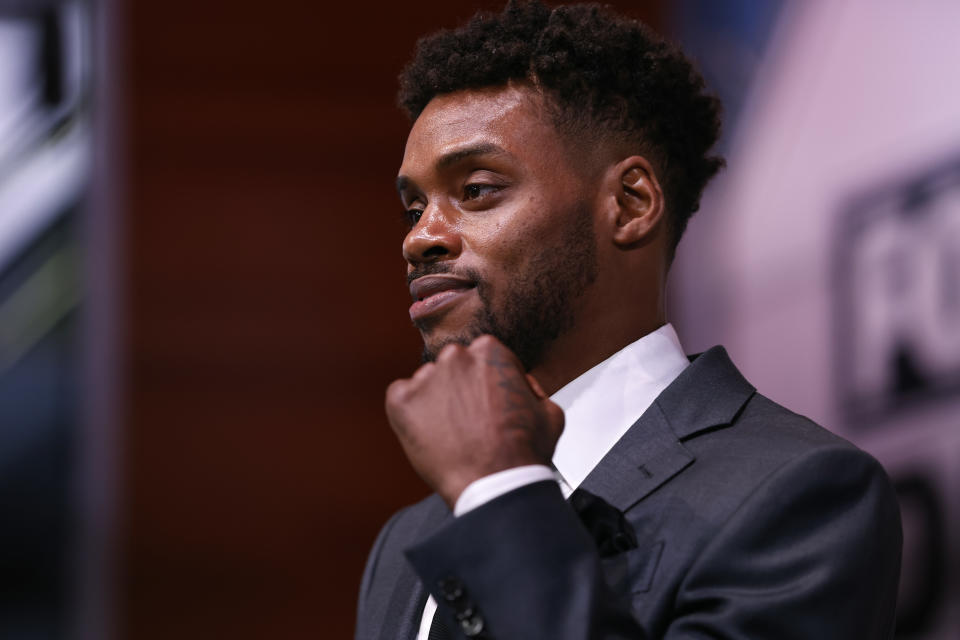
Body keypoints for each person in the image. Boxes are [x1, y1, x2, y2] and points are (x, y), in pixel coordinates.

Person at [355, 2, 902, 638]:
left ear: (630, 203)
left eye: (476, 190)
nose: (420, 238)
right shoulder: (406, 540)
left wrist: (498, 494)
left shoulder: (801, 492)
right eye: (413, 208)